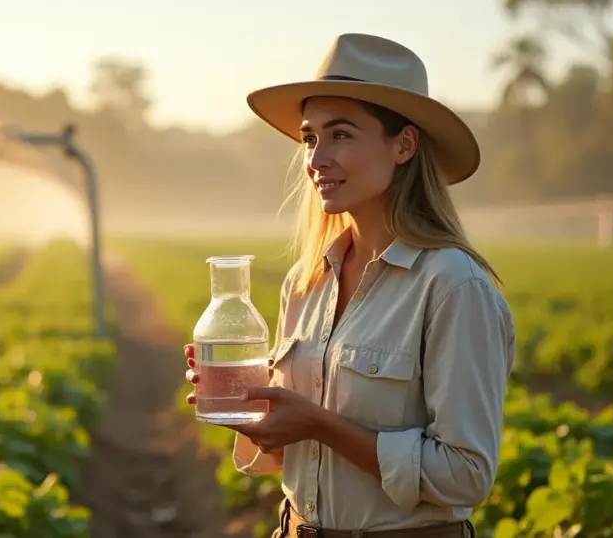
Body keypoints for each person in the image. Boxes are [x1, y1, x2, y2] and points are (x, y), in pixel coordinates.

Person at [183, 33, 515, 538]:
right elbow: (291, 460)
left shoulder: (452, 286)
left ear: (404, 144)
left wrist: (320, 425)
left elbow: (466, 476)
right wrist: (250, 414)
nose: (316, 159)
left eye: (340, 135)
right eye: (310, 137)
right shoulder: (305, 282)